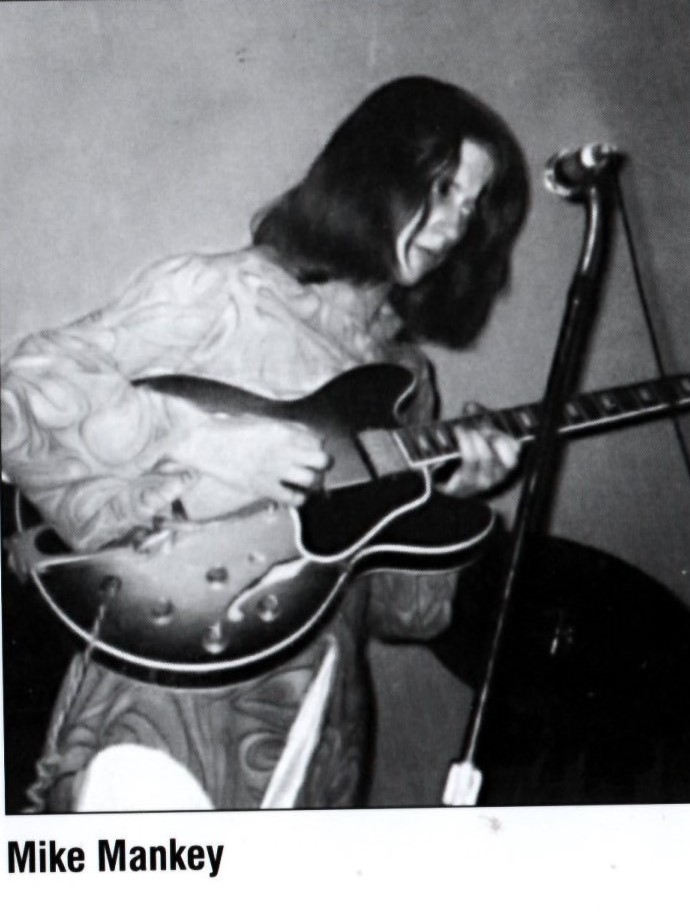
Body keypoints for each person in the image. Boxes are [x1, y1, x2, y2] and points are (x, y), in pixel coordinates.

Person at [1, 75, 527, 811]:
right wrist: (206, 444)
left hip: (318, 726)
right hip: (169, 704)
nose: (453, 226)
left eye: (471, 207)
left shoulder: (408, 378)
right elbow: (25, 395)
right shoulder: (228, 292)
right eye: (441, 190)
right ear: (374, 172)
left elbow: (389, 606)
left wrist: (453, 494)